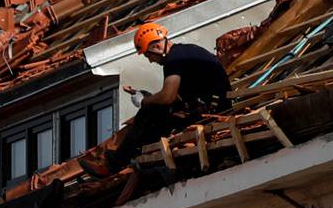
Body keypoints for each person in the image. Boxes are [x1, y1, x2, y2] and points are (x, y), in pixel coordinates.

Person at [84, 23, 231, 177]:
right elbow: (175, 97)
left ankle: (115, 164)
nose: (150, 61)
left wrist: (144, 102)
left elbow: (168, 97)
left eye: (148, 55)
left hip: (213, 113)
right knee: (153, 113)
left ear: (156, 46)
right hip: (212, 107)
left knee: (151, 113)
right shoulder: (184, 53)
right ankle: (125, 159)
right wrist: (147, 96)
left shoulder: (173, 59)